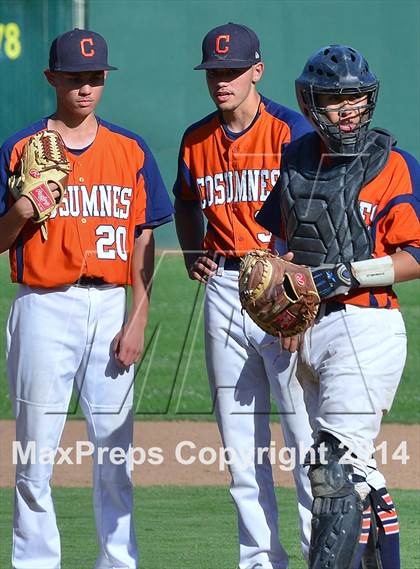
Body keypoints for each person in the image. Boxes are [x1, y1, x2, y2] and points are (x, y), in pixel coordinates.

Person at [0, 28, 173, 569]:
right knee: (34, 456)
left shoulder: (130, 149)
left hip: (110, 307)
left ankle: (117, 562)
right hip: (42, 306)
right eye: (74, 78)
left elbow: (146, 236)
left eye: (95, 78)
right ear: (52, 78)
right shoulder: (20, 147)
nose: (85, 88)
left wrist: (139, 318)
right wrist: (22, 212)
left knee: (115, 457)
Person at [257, 44, 420, 569]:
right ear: (310, 104)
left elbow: (414, 256)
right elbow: (283, 243)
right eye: (333, 99)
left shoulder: (395, 164)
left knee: (333, 466)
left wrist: (342, 275)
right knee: (353, 471)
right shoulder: (296, 160)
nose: (347, 109)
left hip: (365, 325)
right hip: (307, 331)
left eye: (355, 97)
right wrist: (282, 299)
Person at [174, 23, 314, 569]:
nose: (222, 80)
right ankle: (259, 560)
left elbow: (314, 208)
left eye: (231, 71)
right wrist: (193, 252)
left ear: (257, 70)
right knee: (240, 444)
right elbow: (187, 201)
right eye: (214, 71)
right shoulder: (195, 138)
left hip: (282, 290)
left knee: (303, 435)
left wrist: (298, 282)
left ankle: (319, 554)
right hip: (224, 289)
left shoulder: (291, 130)